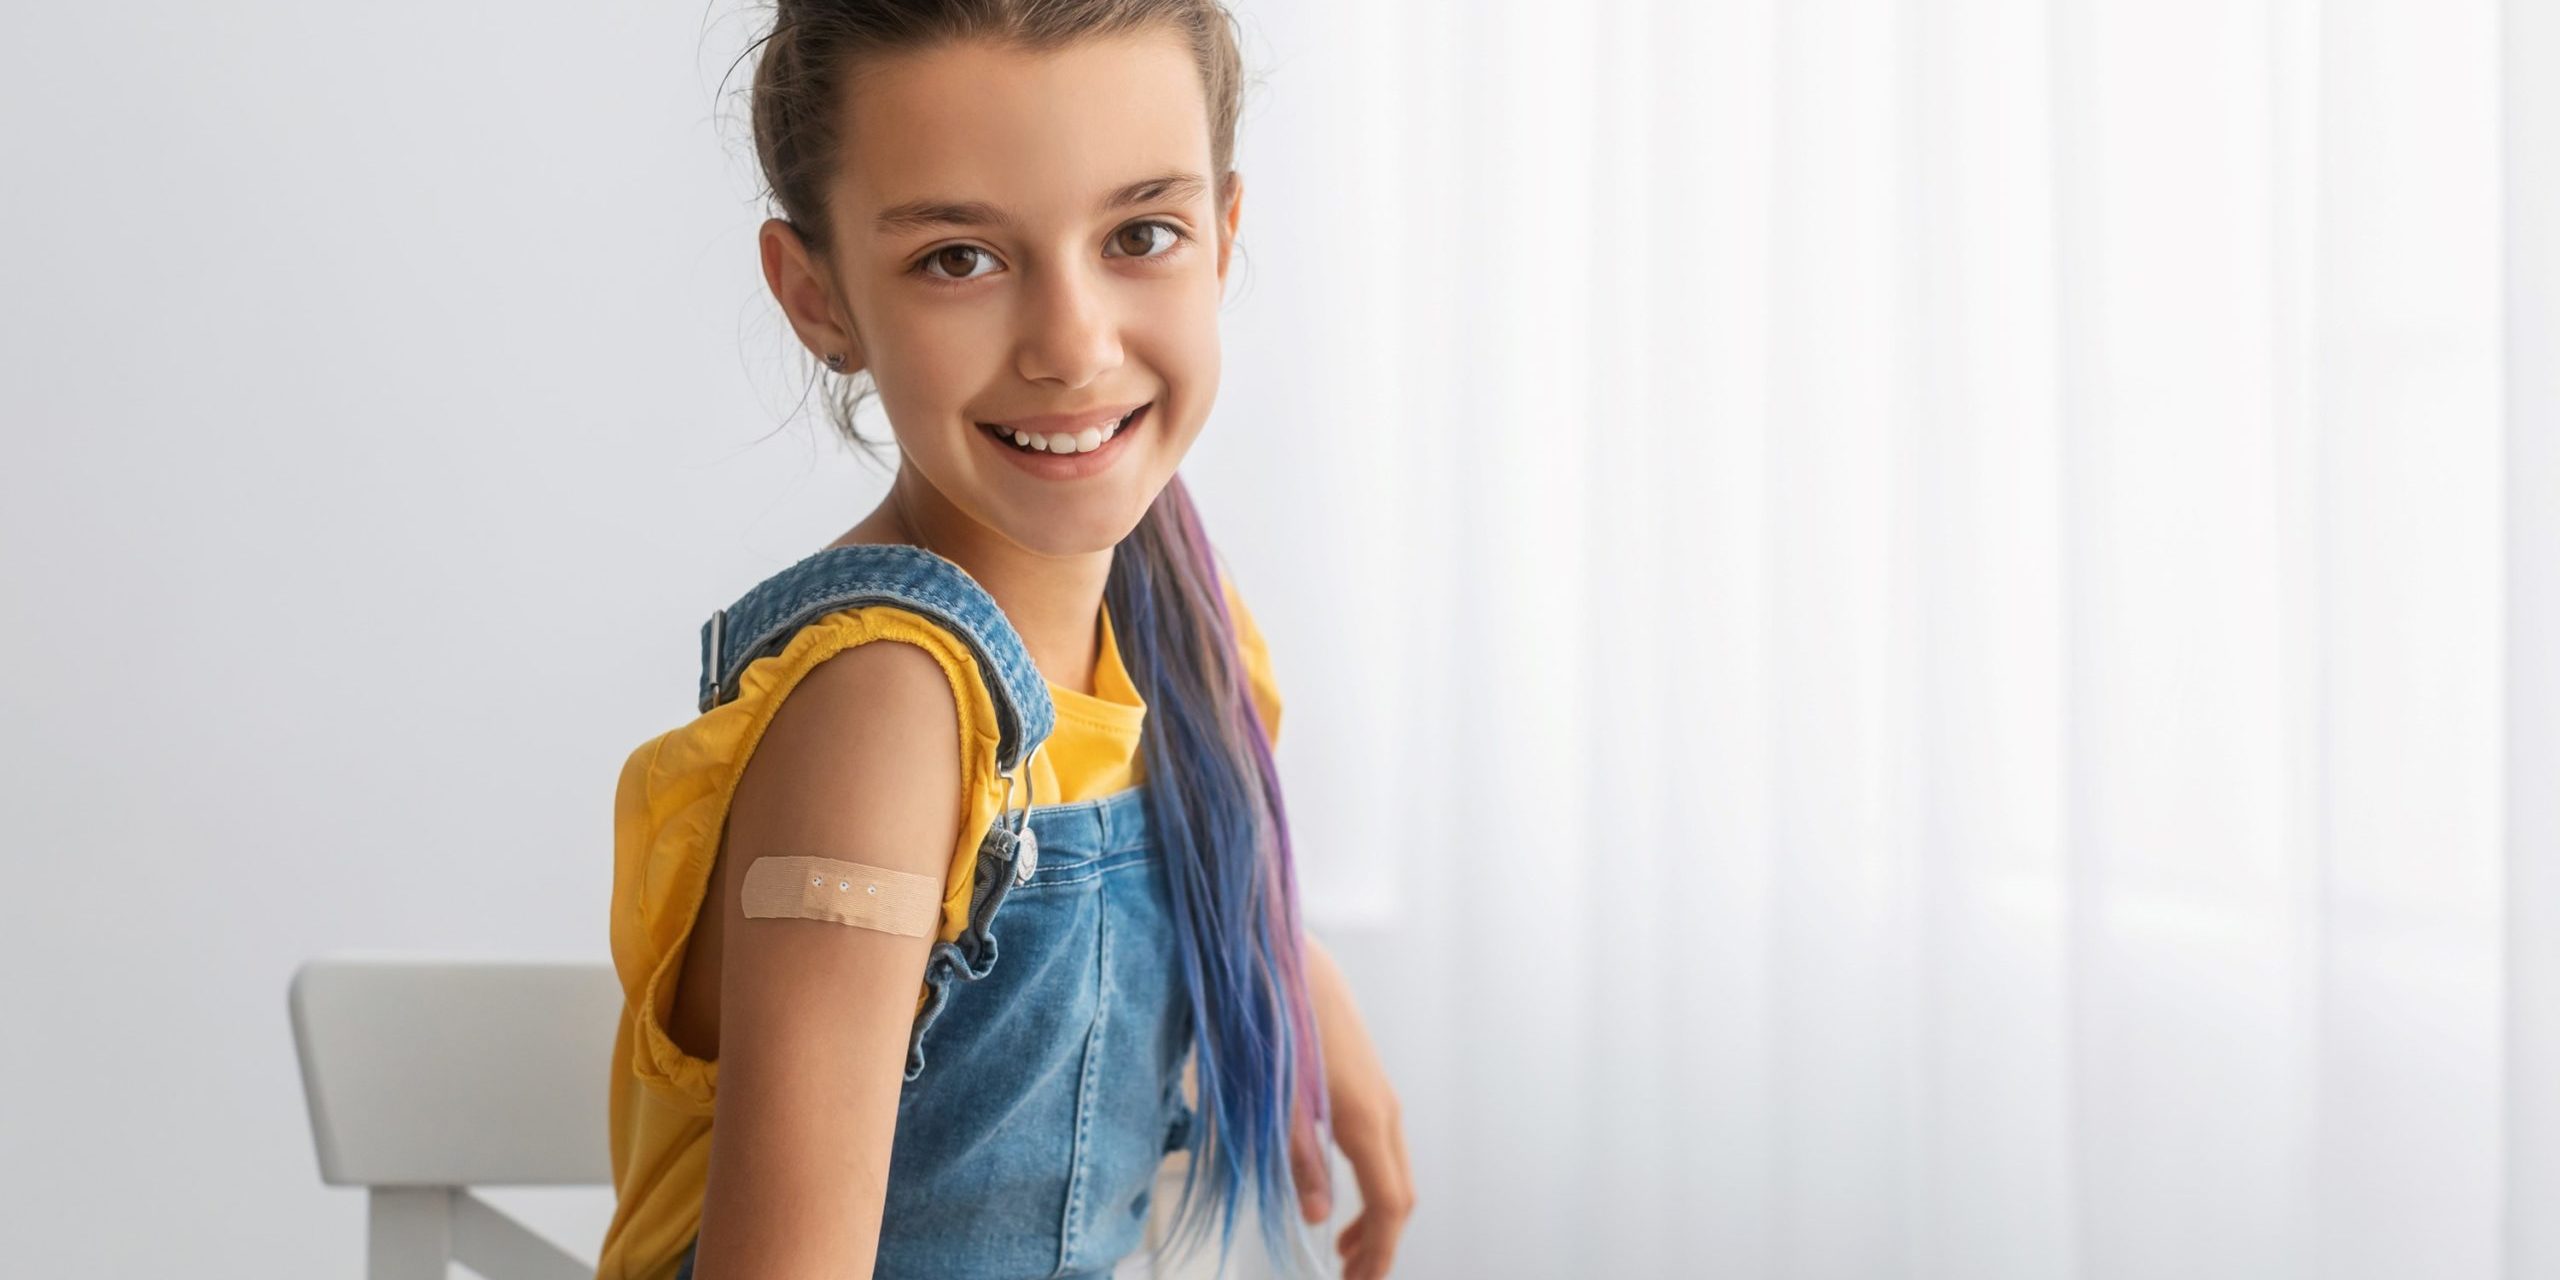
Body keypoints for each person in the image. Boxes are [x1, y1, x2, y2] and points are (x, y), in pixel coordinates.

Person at [593, 4, 1415, 1278]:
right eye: (959, 259)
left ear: (1224, 237)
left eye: (1141, 233)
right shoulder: (885, 712)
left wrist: (1292, 967)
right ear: (819, 298)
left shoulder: (1175, 611)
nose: (1073, 346)